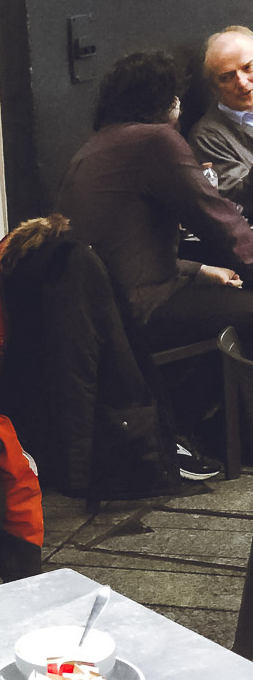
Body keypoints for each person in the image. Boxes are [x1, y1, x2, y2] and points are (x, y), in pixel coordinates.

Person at [57, 52, 253, 476]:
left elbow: (122, 246)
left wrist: (198, 269)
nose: (180, 106)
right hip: (141, 310)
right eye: (176, 97)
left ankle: (197, 428)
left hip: (107, 313)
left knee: (225, 294)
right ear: (163, 103)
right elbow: (220, 220)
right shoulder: (154, 141)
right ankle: (226, 435)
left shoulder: (96, 147)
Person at [189, 26, 253, 214]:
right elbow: (237, 199)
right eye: (227, 77)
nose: (241, 81)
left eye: (248, 67)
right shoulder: (207, 137)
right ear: (214, 88)